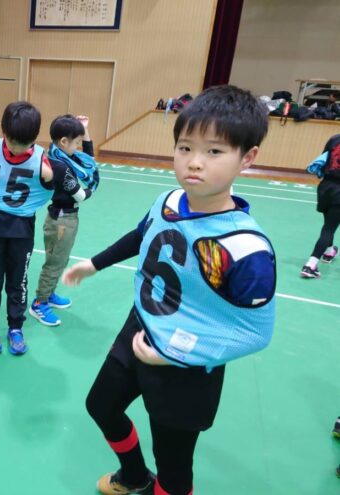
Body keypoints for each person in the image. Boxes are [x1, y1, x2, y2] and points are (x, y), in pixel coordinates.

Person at [62, 85, 276, 495]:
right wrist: (94, 264)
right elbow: (141, 235)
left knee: (174, 465)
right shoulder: (170, 200)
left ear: (247, 158)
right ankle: (134, 477)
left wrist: (178, 354)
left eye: (214, 151)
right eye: (185, 148)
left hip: (188, 364)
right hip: (140, 328)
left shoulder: (245, 248)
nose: (194, 162)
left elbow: (255, 333)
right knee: (101, 406)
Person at [0, 101, 54, 355]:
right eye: (13, 141)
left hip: (21, 228)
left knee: (18, 281)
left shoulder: (41, 158)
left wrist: (49, 177)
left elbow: (50, 185)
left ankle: (16, 326)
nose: (17, 148)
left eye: (24, 144)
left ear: (34, 139)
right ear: (4, 132)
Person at [29, 114, 99, 326]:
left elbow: (89, 158)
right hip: (61, 221)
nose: (79, 147)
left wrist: (85, 129)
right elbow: (81, 195)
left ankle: (49, 294)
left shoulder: (63, 156)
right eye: (76, 142)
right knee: (54, 263)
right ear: (63, 141)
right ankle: (39, 303)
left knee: (60, 259)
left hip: (66, 218)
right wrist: (94, 187)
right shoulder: (60, 165)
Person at [301, 134, 340, 278]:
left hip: (325, 188)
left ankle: (329, 252)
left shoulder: (335, 139)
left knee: (328, 224)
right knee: (329, 229)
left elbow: (325, 159)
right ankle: (310, 265)